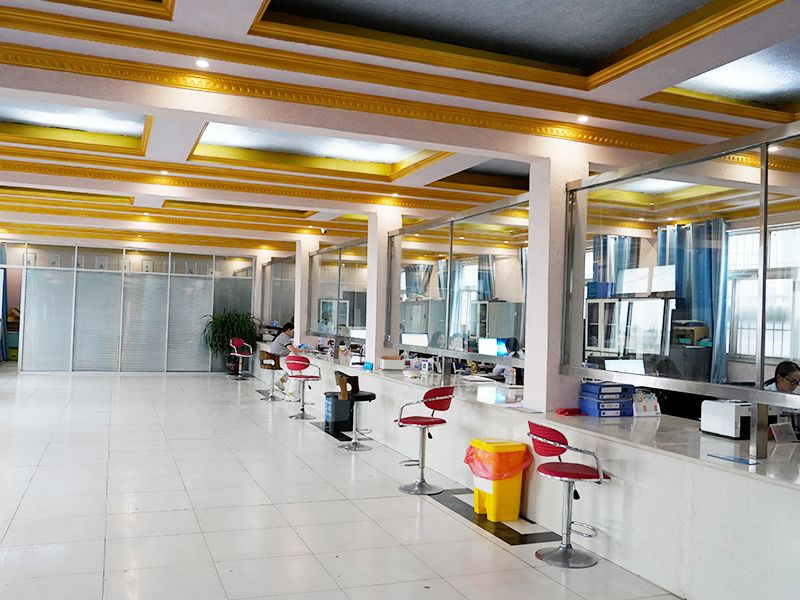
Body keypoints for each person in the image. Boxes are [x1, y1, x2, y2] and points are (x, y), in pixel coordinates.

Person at [268, 323, 305, 399]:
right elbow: (293, 350)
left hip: (277, 359)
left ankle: (280, 381)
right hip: (280, 360)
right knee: (296, 374)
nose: (293, 333)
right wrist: (303, 351)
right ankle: (290, 395)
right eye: (292, 331)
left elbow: (292, 349)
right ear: (288, 329)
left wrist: (300, 350)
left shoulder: (281, 336)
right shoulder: (284, 337)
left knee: (292, 371)